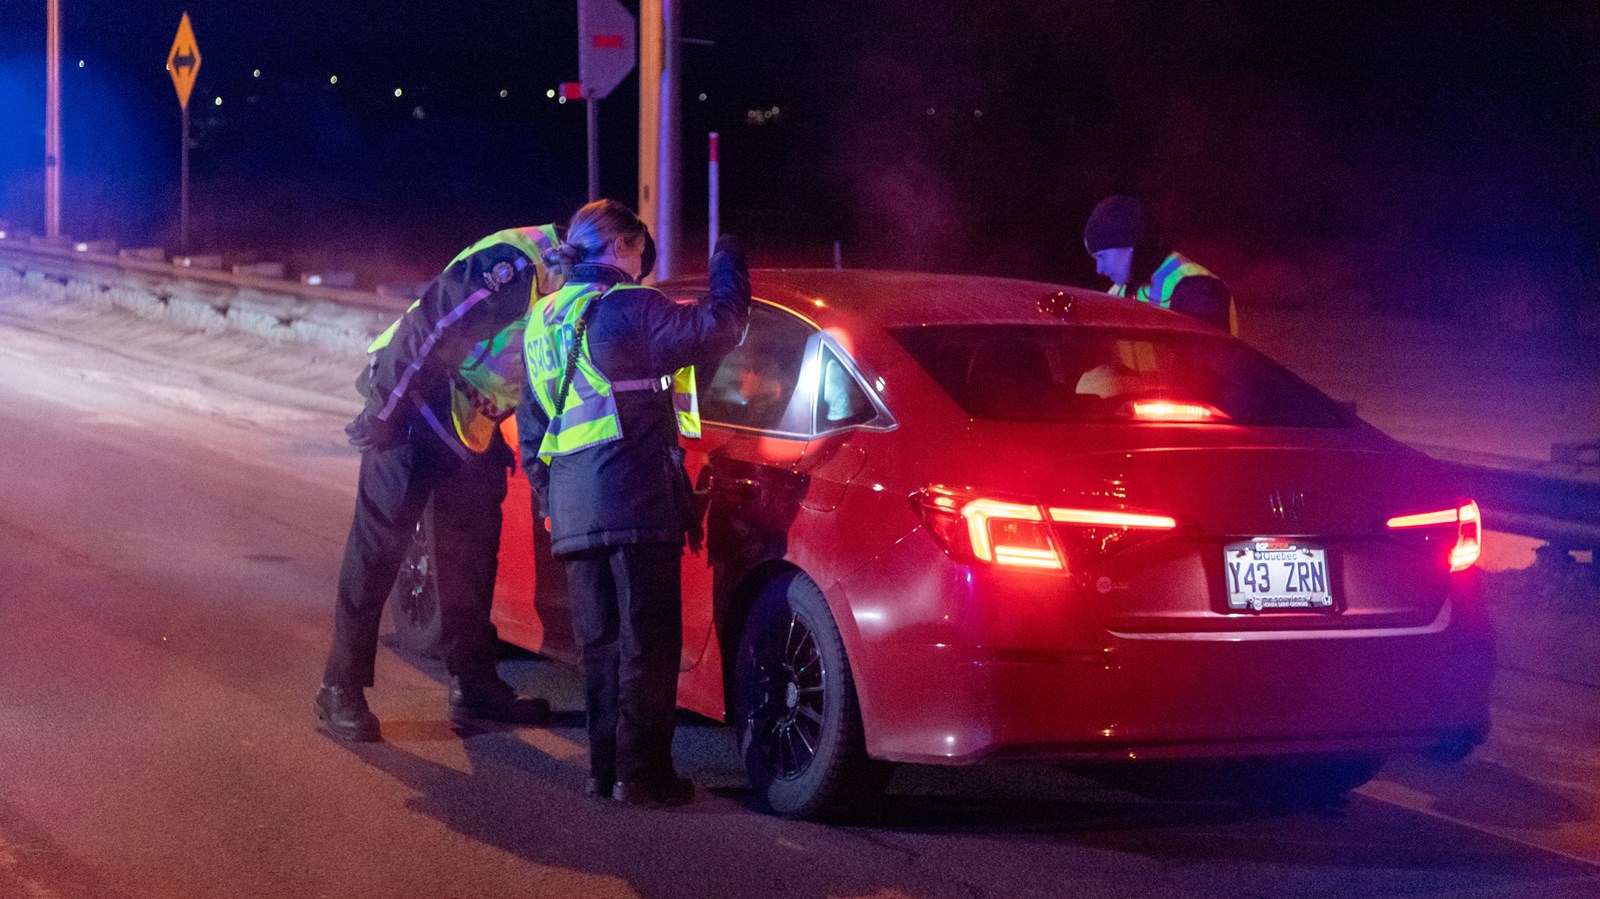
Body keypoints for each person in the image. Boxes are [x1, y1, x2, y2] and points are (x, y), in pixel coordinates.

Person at [518, 200, 750, 806]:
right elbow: (720, 327)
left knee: (599, 646)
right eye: (641, 245)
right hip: (634, 497)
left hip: (573, 504)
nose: (646, 258)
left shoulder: (544, 317)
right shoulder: (629, 307)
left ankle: (603, 771)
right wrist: (727, 259)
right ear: (621, 244)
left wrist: (550, 499)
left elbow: (531, 423)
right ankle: (642, 775)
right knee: (648, 641)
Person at [316, 224, 564, 743]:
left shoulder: (575, 285)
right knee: (378, 550)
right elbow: (431, 323)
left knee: (470, 556)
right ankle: (340, 688)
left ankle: (472, 681)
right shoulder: (516, 264)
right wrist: (384, 409)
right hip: (412, 401)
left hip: (467, 425)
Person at [1083, 195, 1238, 334]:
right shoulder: (1118, 292)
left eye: (1101, 256)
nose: (1099, 269)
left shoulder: (1197, 288)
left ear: (1128, 246)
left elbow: (1207, 362)